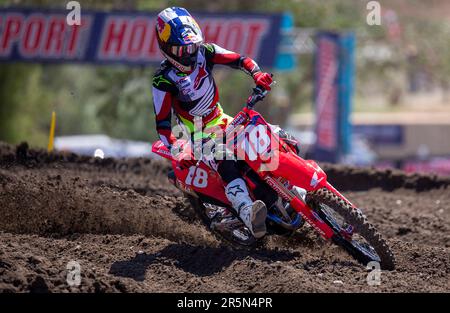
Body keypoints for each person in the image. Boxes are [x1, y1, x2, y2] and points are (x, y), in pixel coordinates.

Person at [152, 7, 273, 238]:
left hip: (222, 119)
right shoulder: (162, 80)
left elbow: (240, 60)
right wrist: (179, 150)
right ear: (167, 49)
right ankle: (247, 213)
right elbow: (163, 127)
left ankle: (294, 191)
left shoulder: (205, 52)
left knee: (269, 136)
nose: (188, 53)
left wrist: (257, 74)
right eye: (181, 49)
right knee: (224, 158)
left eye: (191, 46)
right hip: (196, 135)